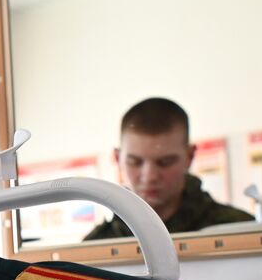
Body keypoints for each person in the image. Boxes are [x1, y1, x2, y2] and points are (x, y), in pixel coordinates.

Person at [84, 97, 253, 240]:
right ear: (117, 158)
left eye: (165, 162)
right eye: (135, 162)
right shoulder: (93, 247)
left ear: (190, 156)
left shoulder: (243, 232)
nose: (149, 176)